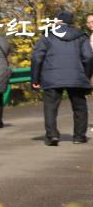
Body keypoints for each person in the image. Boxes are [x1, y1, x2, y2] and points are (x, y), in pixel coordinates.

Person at [29, 10, 93, 146]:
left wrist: (35, 79)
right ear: (71, 22)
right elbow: (88, 57)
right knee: (79, 107)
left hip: (52, 77)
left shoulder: (47, 36)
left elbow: (37, 57)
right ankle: (79, 136)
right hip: (76, 77)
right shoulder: (81, 36)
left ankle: (52, 135)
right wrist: (86, 76)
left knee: (51, 107)